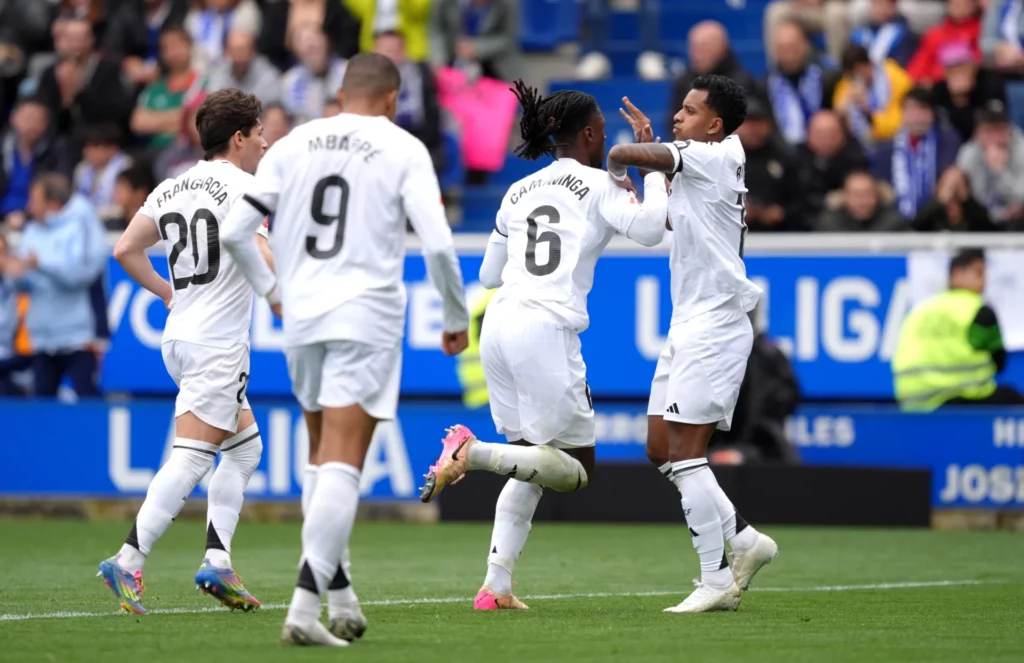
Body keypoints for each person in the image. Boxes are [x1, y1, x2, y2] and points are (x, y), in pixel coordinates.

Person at [221, 52, 470, 647]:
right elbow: (437, 245)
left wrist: (273, 292)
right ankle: (304, 612)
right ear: (391, 97)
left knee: (319, 456)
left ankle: (341, 598)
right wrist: (456, 316)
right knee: (343, 461)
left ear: (339, 91)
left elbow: (234, 231)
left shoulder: (290, 145)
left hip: (301, 315)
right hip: (365, 314)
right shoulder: (403, 147)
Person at [418, 82, 669, 611]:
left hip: (501, 323)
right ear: (589, 133)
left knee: (530, 459)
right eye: (601, 129)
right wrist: (653, 169)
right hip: (546, 328)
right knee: (577, 470)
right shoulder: (601, 185)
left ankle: (496, 586)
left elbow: (488, 275)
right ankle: (472, 450)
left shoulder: (516, 192)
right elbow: (650, 231)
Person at [599, 74, 779, 613]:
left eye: (689, 110)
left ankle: (716, 579)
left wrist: (615, 163)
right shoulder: (703, 167)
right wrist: (653, 162)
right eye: (679, 110)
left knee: (685, 454)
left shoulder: (718, 154)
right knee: (661, 448)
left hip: (716, 323)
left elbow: (624, 150)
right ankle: (746, 541)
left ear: (715, 124)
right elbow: (673, 217)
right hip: (689, 323)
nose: (679, 117)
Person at [96, 88, 269, 616]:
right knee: (192, 458)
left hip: (181, 333)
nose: (264, 141)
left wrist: (167, 291)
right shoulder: (245, 188)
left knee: (244, 449)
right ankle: (128, 557)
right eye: (259, 132)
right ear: (238, 137)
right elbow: (260, 252)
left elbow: (125, 248)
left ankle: (218, 561)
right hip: (216, 343)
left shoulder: (173, 185)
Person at [0, 172, 108, 397]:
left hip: (77, 337)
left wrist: (41, 265)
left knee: (88, 405)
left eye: (35, 200)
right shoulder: (30, 232)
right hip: (41, 338)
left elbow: (80, 275)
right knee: (43, 409)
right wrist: (15, 274)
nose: (29, 206)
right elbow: (23, 286)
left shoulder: (78, 229)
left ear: (52, 203)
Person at [893, 248, 1024, 410]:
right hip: (958, 398)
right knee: (1013, 399)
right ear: (956, 274)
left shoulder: (919, 311)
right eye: (979, 273)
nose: (985, 281)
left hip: (912, 402)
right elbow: (999, 361)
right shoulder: (978, 311)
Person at [815, 170, 906, 231]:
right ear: (845, 196)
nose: (862, 200)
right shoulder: (829, 225)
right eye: (856, 195)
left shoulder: (894, 224)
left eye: (868, 194)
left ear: (877, 196)